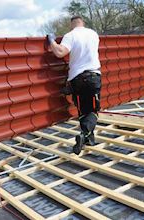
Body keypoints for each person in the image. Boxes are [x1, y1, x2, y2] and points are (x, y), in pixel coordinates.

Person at [47, 15, 102, 155]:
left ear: (72, 24)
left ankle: (89, 139)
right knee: (93, 110)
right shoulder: (93, 34)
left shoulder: (70, 35)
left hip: (76, 80)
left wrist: (51, 40)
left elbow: (59, 52)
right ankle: (84, 134)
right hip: (92, 77)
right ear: (83, 22)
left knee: (83, 110)